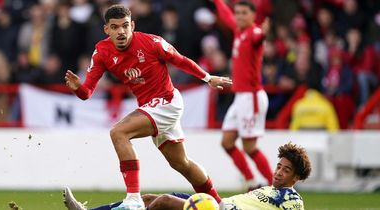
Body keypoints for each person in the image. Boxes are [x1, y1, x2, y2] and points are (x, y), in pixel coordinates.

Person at [64, 4, 232, 210]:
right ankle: (222, 205)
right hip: (150, 107)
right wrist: (77, 88)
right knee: (181, 163)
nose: (121, 32)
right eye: (115, 27)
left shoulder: (151, 42)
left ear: (132, 26)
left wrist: (208, 78)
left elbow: (180, 60)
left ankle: (133, 199)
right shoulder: (101, 52)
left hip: (167, 102)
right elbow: (86, 93)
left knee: (119, 133)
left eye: (125, 26)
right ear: (106, 30)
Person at [63, 142, 312, 210]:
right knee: (147, 199)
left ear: (296, 178)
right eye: (279, 166)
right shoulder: (266, 191)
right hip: (217, 205)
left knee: (162, 204)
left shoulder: (291, 199)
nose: (278, 173)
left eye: (286, 170)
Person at [211, 0, 273, 189]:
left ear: (253, 16)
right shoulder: (240, 31)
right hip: (240, 98)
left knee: (249, 147)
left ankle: (276, 186)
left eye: (244, 13)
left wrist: (264, 33)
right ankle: (252, 182)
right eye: (238, 12)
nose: (239, 16)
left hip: (252, 97)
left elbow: (259, 38)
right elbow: (227, 16)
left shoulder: (253, 33)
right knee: (227, 142)